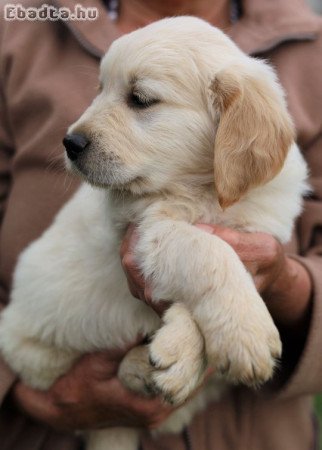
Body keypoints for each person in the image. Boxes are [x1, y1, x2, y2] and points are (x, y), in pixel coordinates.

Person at [0, 0, 321, 449]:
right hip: (41, 379)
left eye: (141, 99)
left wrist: (281, 282)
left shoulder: (313, 50)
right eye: (101, 91)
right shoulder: (18, 25)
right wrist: (25, 392)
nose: (80, 128)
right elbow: (154, 241)